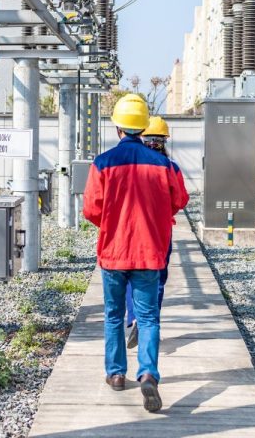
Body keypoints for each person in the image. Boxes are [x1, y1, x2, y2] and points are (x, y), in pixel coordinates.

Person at [83, 95, 189, 413]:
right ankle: (148, 374)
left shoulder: (102, 163)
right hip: (148, 252)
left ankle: (116, 374)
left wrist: (112, 222)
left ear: (117, 127)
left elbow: (91, 209)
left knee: (114, 316)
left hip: (113, 252)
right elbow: (179, 199)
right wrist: (156, 216)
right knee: (148, 317)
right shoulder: (163, 165)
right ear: (143, 127)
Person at [125, 116, 175, 350]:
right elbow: (180, 199)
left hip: (132, 229)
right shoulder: (169, 166)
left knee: (128, 275)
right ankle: (149, 322)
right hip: (160, 232)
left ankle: (134, 317)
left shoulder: (131, 165)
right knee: (157, 279)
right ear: (165, 141)